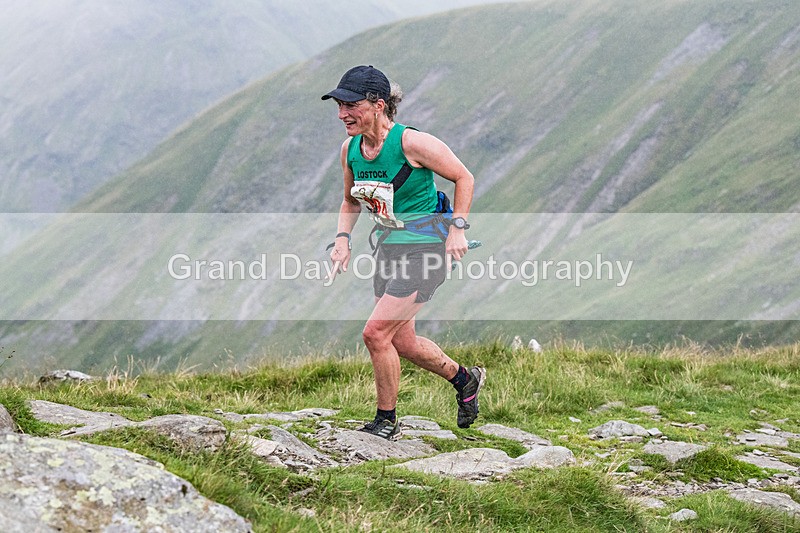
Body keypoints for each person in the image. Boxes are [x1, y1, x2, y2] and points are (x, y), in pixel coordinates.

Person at [322, 65, 485, 440]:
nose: (342, 113)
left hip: (427, 249)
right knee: (402, 340)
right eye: (338, 105)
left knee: (375, 333)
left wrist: (457, 229)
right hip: (389, 249)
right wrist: (342, 241)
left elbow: (464, 177)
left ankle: (386, 421)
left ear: (378, 105)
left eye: (350, 104)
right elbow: (350, 201)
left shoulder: (412, 143)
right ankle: (465, 380)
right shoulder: (351, 150)